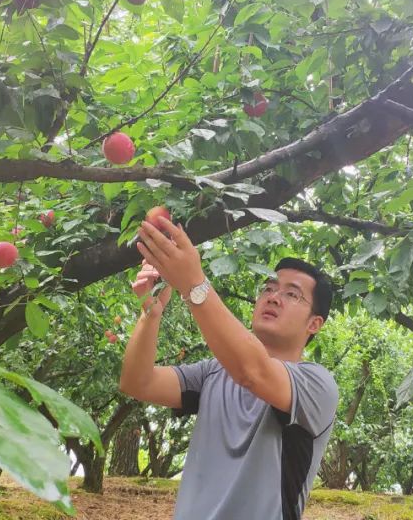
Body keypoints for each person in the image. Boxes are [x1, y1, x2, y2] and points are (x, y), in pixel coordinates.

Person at [118, 215, 339, 520]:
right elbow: (137, 382)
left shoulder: (316, 385)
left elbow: (253, 372)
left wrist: (194, 284)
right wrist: (151, 315)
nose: (274, 297)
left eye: (292, 294)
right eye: (269, 288)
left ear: (314, 324)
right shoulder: (214, 372)